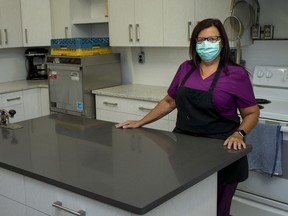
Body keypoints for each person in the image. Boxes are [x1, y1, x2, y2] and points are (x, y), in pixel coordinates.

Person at [115, 18, 260, 216]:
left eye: (212, 39)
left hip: (221, 150)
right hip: (184, 150)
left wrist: (239, 133)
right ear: (194, 44)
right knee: (187, 207)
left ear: (222, 42)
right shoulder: (186, 68)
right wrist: (141, 121)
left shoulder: (236, 74)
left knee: (217, 210)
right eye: (200, 40)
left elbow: (252, 112)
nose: (205, 44)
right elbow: (169, 101)